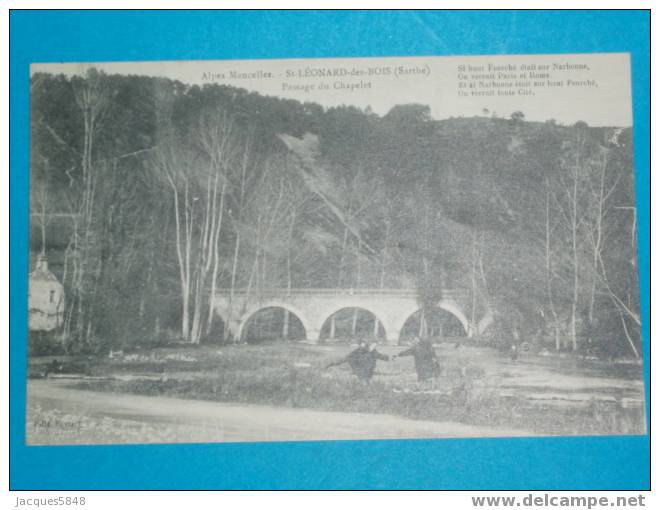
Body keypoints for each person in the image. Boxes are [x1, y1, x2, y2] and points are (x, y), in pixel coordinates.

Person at [326, 339, 390, 382]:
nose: (374, 347)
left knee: (367, 380)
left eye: (375, 345)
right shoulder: (360, 350)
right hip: (360, 369)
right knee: (364, 381)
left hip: (368, 370)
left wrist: (389, 358)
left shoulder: (374, 352)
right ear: (369, 345)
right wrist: (332, 364)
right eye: (373, 345)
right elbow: (346, 358)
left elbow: (381, 356)